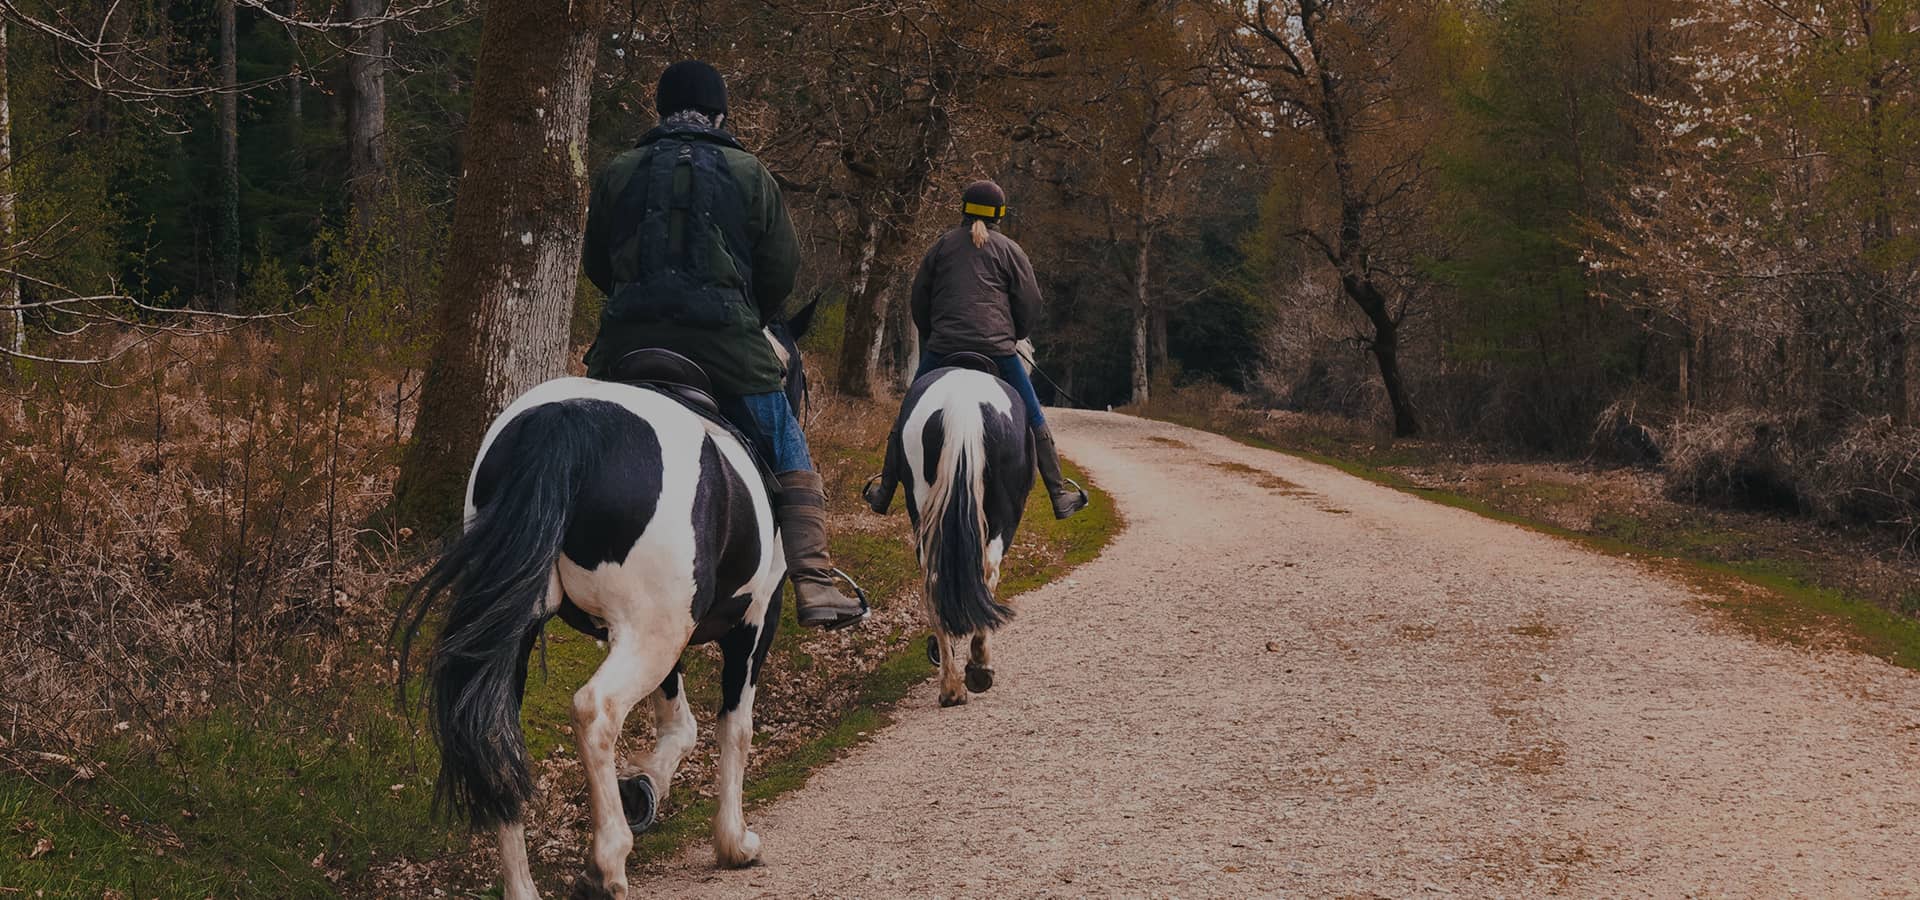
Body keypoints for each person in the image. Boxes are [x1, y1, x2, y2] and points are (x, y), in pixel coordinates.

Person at [581, 60, 866, 630]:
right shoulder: (750, 172)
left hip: (624, 345)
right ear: (719, 113)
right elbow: (780, 271)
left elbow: (596, 264)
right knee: (787, 441)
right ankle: (812, 576)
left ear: (660, 110)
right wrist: (746, 314)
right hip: (727, 347)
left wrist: (638, 299)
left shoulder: (619, 170)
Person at [862, 180, 1090, 520]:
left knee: (907, 413)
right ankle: (1058, 493)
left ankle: (884, 492)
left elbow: (919, 300)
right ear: (1000, 214)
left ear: (964, 210)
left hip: (943, 349)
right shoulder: (1011, 251)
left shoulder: (940, 247)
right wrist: (1015, 335)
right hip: (997, 350)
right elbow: (1030, 303)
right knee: (1033, 414)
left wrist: (934, 334)